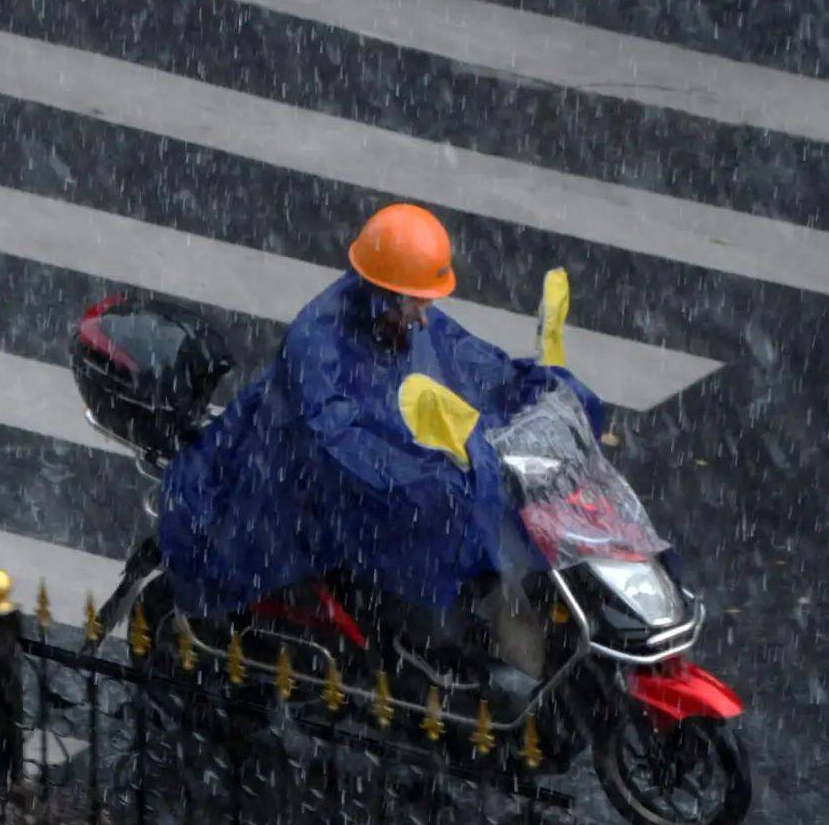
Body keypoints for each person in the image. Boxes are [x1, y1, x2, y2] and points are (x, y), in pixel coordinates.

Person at [158, 204, 603, 625]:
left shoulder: (399, 322)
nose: (425, 319)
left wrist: (546, 396)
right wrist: (429, 480)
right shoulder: (318, 343)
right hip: (299, 501)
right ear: (385, 293)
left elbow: (475, 368)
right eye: (416, 305)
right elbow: (340, 446)